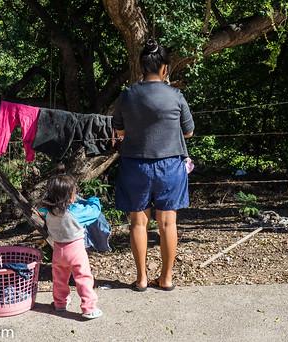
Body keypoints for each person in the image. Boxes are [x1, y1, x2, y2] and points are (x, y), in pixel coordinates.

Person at [113, 38, 195, 292]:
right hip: (170, 166)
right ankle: (167, 279)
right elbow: (189, 131)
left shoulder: (127, 95)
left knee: (138, 223)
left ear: (141, 68)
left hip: (135, 166)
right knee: (168, 224)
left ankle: (141, 279)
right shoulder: (176, 96)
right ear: (164, 69)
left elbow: (118, 129)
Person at [39, 173, 103, 319]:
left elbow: (40, 209)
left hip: (58, 250)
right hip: (75, 250)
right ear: (70, 197)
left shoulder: (48, 212)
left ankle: (60, 303)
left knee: (59, 279)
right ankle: (89, 308)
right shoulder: (76, 212)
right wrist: (94, 200)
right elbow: (94, 211)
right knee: (83, 278)